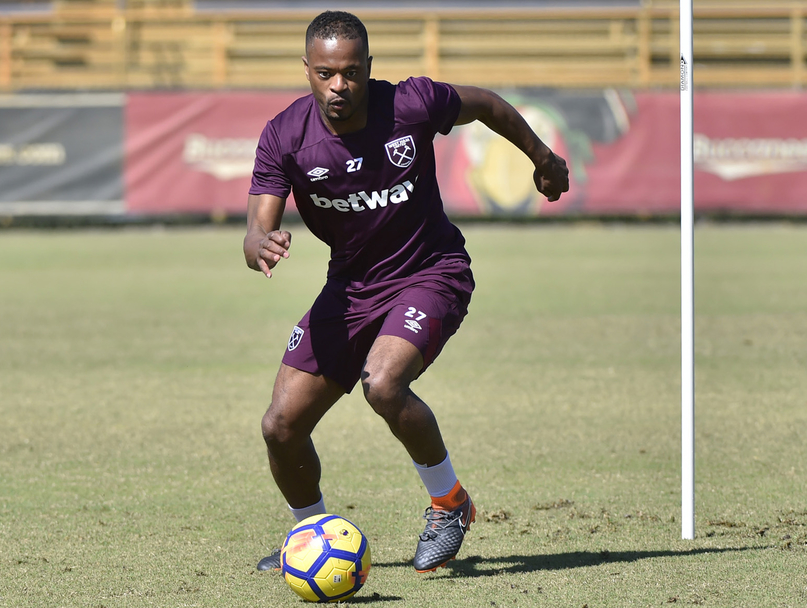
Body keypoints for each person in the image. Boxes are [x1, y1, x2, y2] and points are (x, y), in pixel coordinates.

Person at [244, 10, 569, 573]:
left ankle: (449, 505)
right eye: (325, 73)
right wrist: (259, 243)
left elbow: (487, 105)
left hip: (431, 272)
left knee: (385, 382)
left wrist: (542, 157)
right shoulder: (285, 136)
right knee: (281, 426)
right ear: (307, 70)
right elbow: (255, 227)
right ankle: (312, 537)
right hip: (350, 287)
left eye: (350, 71)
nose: (339, 85)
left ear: (369, 67)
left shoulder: (412, 104)